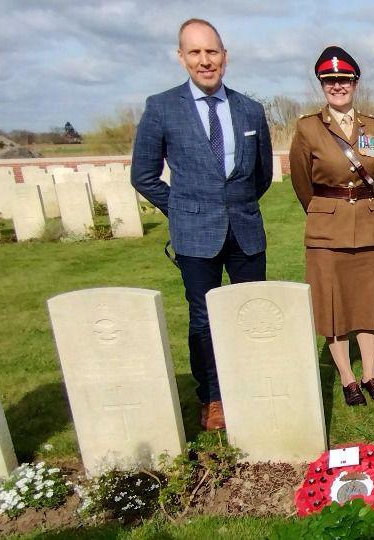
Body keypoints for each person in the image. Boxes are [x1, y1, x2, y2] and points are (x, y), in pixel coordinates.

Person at [131, 19, 273, 430]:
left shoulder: (250, 109)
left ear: (224, 56)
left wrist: (235, 203)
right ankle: (213, 396)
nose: (205, 60)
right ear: (182, 57)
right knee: (203, 319)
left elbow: (261, 174)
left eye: (212, 52)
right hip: (195, 234)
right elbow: (143, 175)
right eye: (195, 52)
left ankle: (256, 385)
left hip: (245, 229)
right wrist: (182, 208)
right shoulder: (162, 108)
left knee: (253, 313)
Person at [289, 46, 374, 406]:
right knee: (333, 306)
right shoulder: (308, 128)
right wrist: (324, 212)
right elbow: (302, 182)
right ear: (322, 84)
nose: (337, 86)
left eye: (343, 80)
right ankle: (347, 378)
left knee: (368, 302)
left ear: (355, 82)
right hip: (326, 229)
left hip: (368, 225)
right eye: (330, 80)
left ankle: (370, 375)